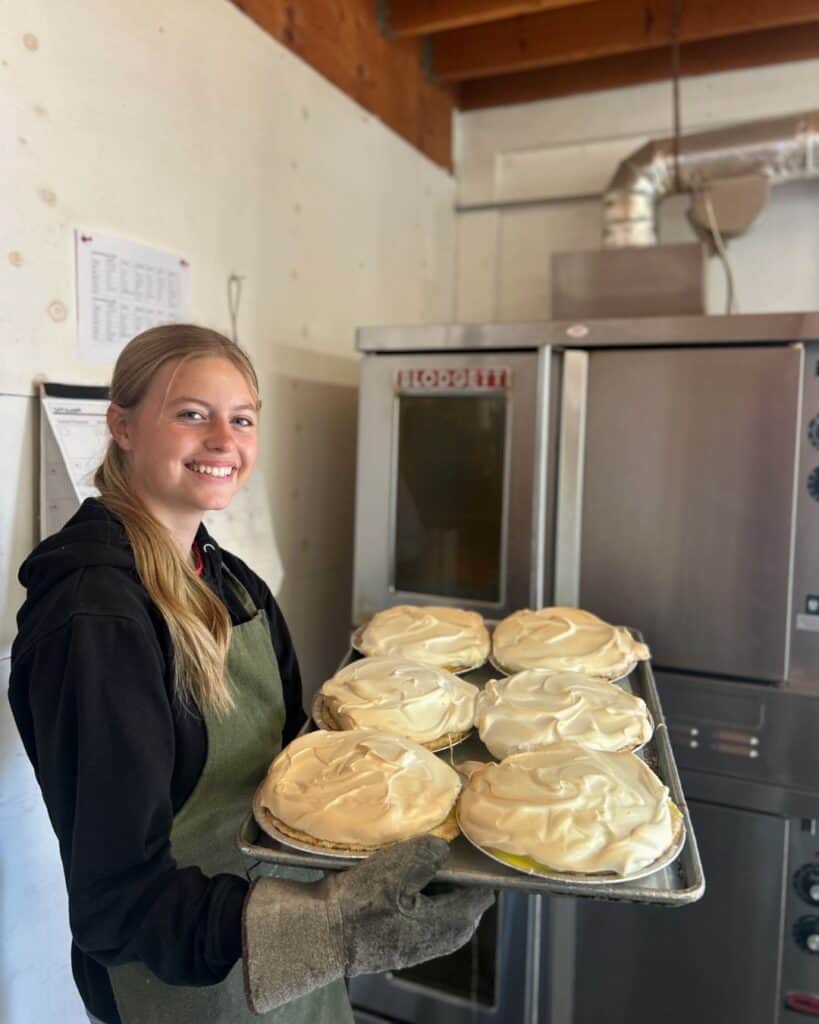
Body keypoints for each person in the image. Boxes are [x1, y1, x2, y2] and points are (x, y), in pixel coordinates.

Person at [9, 324, 494, 1024]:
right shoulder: (97, 619)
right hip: (187, 983)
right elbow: (117, 904)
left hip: (292, 957)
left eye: (240, 419)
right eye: (190, 414)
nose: (222, 441)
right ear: (122, 425)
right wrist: (325, 923)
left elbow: (287, 773)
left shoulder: (229, 581)